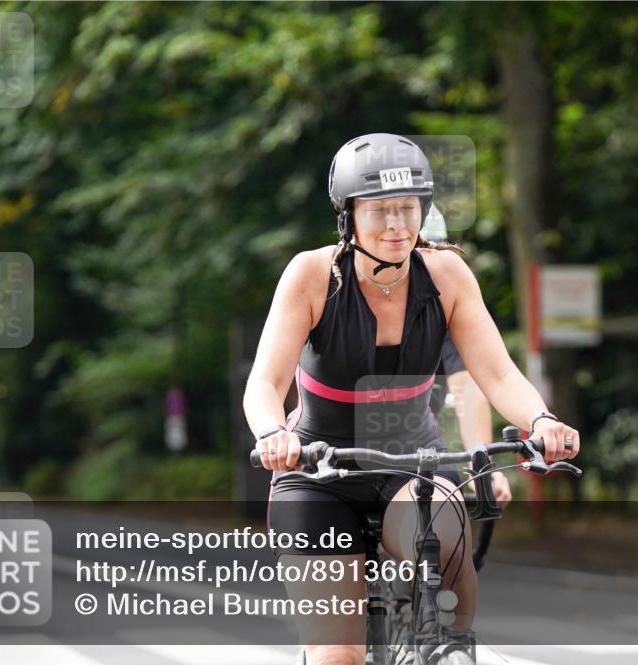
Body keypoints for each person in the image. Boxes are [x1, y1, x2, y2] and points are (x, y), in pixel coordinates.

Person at [243, 133, 579, 665]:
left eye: (408, 208)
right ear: (348, 215)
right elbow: (264, 383)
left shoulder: (446, 275)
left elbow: (494, 372)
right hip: (317, 474)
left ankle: (449, 650)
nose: (397, 224)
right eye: (379, 211)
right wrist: (272, 433)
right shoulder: (311, 275)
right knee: (338, 657)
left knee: (443, 543)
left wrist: (541, 420)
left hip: (412, 469)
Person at [422, 206, 510, 506]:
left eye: (436, 254)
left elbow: (468, 385)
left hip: (416, 449)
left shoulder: (444, 309)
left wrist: (481, 462)